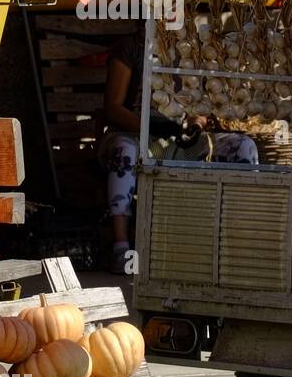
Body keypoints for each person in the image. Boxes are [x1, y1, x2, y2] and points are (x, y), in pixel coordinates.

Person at [99, 29, 258, 274]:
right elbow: (113, 109)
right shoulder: (132, 47)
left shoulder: (193, 48)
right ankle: (121, 248)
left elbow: (205, 106)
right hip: (134, 134)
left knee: (243, 146)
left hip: (180, 138)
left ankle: (241, 240)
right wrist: (151, 127)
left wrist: (197, 123)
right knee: (125, 151)